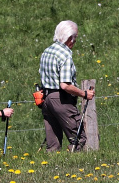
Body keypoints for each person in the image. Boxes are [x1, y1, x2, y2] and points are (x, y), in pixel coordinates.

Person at [39, 20, 95, 152]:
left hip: (46, 99)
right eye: (75, 38)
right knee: (78, 138)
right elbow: (64, 85)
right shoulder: (65, 55)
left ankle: (51, 167)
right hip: (61, 100)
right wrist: (84, 94)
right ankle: (75, 166)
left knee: (53, 144)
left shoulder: (47, 51)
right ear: (70, 38)